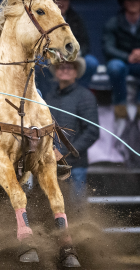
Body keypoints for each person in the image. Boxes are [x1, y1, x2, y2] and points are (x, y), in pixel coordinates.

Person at [46, 57, 99, 206]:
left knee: (75, 207)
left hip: (75, 165)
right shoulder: (49, 97)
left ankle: (79, 230)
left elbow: (92, 131)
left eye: (69, 67)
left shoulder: (85, 96)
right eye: (61, 67)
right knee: (50, 207)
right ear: (56, 72)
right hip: (50, 164)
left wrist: (68, 152)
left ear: (76, 72)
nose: (65, 70)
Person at [103, 0, 140, 118]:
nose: (133, 3)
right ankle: (120, 105)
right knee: (115, 67)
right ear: (124, 2)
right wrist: (128, 56)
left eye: (137, 0)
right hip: (122, 62)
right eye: (129, 0)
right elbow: (108, 48)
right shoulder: (113, 22)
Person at [57, 0, 99, 88]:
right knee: (39, 63)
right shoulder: (42, 18)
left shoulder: (76, 18)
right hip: (51, 57)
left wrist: (77, 52)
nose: (62, 3)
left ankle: (78, 92)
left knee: (91, 62)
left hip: (73, 56)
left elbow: (85, 43)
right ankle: (48, 96)